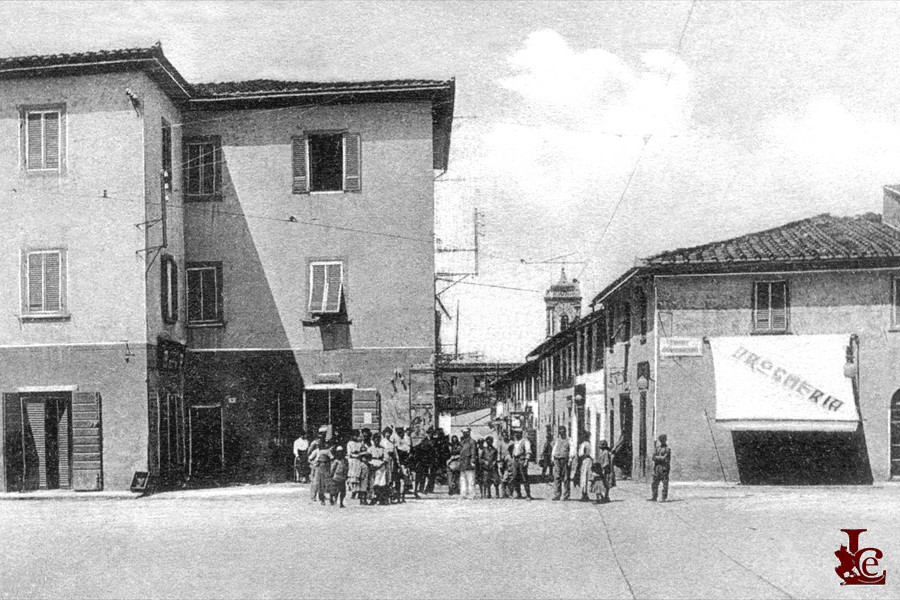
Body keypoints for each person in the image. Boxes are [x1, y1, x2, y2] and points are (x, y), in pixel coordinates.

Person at [307, 426, 332, 504]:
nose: (323, 435)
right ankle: (313, 496)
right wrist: (314, 462)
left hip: (324, 464)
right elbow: (309, 454)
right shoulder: (315, 443)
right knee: (315, 481)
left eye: (324, 433)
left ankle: (322, 496)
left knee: (323, 481)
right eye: (321, 434)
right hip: (316, 464)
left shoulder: (325, 442)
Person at [347, 429, 370, 504]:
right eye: (354, 435)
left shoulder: (360, 443)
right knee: (353, 475)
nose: (356, 437)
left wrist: (361, 453)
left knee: (360, 476)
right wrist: (357, 454)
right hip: (353, 460)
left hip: (359, 461)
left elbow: (364, 450)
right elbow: (349, 454)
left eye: (357, 435)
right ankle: (353, 491)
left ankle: (359, 492)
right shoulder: (350, 443)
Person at [369, 431, 390, 505]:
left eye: (378, 439)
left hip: (381, 466)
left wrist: (381, 464)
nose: (377, 441)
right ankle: (373, 498)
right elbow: (367, 458)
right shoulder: (370, 448)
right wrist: (371, 464)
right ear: (373, 440)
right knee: (373, 483)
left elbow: (386, 458)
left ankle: (381, 498)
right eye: (375, 439)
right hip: (372, 466)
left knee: (381, 483)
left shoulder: (383, 449)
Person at [511, 430, 532, 500]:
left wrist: (526, 460)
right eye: (515, 433)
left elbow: (528, 452)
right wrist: (513, 459)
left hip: (522, 460)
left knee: (524, 477)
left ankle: (528, 494)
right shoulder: (515, 442)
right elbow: (514, 452)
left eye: (518, 433)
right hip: (515, 460)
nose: (516, 435)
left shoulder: (525, 441)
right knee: (515, 477)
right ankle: (518, 493)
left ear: (521, 434)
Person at [650, 434, 671, 502]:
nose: (662, 441)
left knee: (665, 484)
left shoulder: (667, 449)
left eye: (663, 440)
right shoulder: (657, 448)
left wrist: (657, 458)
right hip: (657, 468)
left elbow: (665, 458)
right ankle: (654, 496)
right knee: (654, 483)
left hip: (664, 468)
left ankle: (664, 497)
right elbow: (653, 457)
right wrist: (659, 458)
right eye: (661, 440)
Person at [551, 426, 571, 501]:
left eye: (563, 431)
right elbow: (554, 449)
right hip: (557, 459)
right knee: (557, 477)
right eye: (560, 431)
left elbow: (572, 450)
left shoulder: (569, 440)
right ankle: (557, 494)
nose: (561, 433)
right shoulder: (557, 440)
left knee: (565, 477)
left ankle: (566, 495)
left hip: (565, 459)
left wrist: (570, 460)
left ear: (565, 432)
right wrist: (552, 458)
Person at [457, 428, 478, 500]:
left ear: (469, 433)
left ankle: (472, 495)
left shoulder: (472, 442)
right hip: (462, 463)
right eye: (463, 432)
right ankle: (463, 494)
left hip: (469, 463)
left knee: (471, 480)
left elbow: (473, 452)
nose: (464, 434)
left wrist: (472, 461)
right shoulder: (462, 442)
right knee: (462, 480)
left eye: (466, 432)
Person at [591, 439, 613, 504]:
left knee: (605, 483)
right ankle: (604, 497)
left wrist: (601, 469)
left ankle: (605, 497)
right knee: (603, 483)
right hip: (603, 470)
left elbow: (606, 463)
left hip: (606, 471)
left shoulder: (605, 452)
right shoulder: (603, 452)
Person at [574, 431, 593, 502]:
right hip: (589, 461)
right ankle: (585, 493)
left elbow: (581, 454)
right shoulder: (589, 444)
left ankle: (584, 494)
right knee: (587, 477)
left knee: (584, 477)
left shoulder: (583, 444)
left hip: (584, 461)